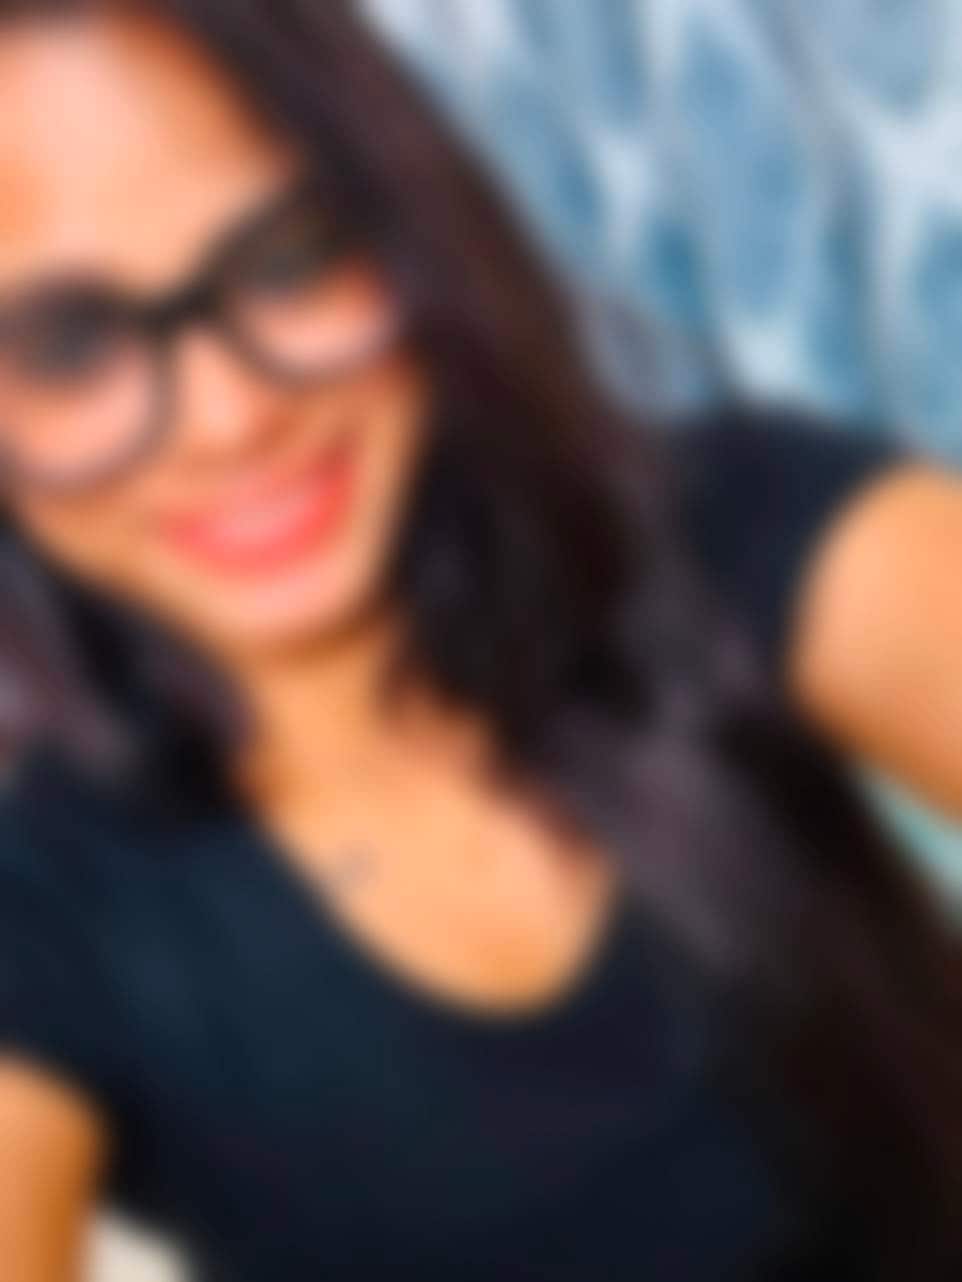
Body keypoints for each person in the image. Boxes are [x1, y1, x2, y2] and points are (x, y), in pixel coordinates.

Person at [0, 4, 959, 1281]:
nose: (231, 417)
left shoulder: (735, 526)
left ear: (405, 238)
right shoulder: (44, 914)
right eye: (66, 346)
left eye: (287, 259)